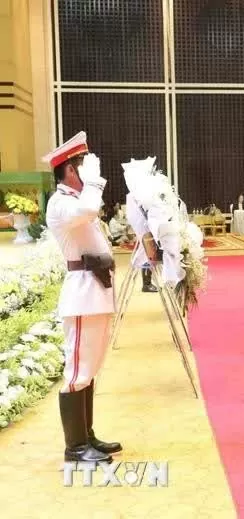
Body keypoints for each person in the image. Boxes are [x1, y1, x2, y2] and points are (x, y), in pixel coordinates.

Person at [43, 131, 121, 463]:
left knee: (90, 366)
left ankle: (86, 436)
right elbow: (90, 207)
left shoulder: (73, 201)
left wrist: (91, 183)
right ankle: (74, 447)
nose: (89, 169)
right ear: (71, 170)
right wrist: (95, 181)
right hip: (81, 294)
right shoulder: (61, 203)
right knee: (77, 371)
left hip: (95, 291)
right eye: (83, 163)